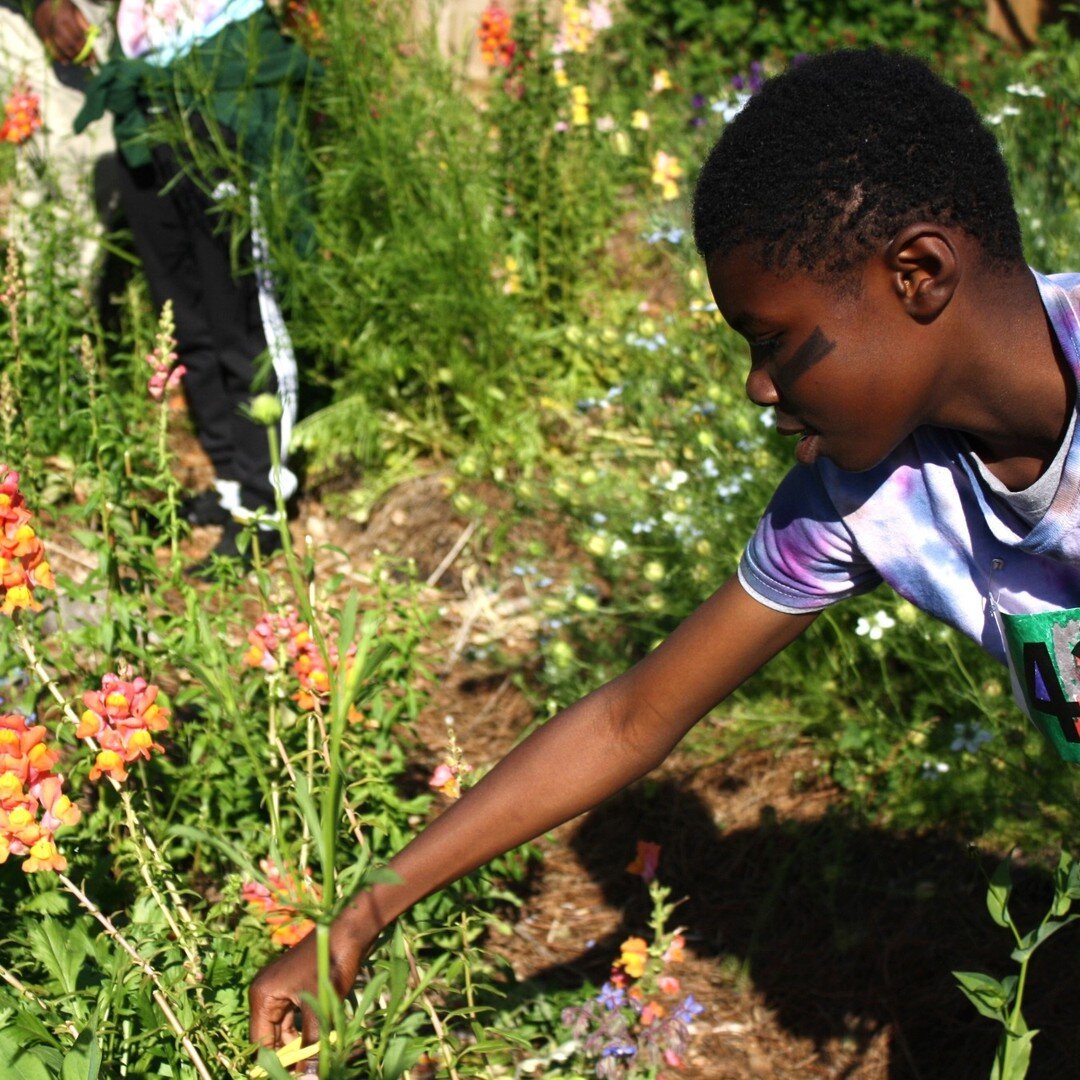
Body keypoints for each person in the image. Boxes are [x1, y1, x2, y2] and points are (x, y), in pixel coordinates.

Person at [249, 48, 1080, 1050]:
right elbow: (631, 717)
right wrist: (361, 915)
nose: (758, 388)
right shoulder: (861, 497)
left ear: (917, 273)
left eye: (773, 342)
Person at [71, 0, 315, 567]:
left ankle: (263, 503)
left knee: (242, 313)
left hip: (223, 77)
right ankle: (232, 479)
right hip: (147, 86)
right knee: (182, 311)